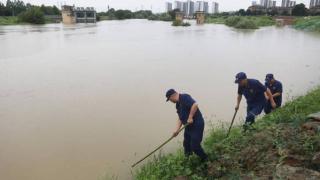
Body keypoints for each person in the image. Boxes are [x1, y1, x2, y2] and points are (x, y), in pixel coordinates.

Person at [166, 89, 208, 161]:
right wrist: (177, 130)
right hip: (188, 127)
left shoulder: (184, 97)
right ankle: (188, 160)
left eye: (169, 99)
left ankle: (205, 159)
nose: (170, 101)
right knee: (186, 144)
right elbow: (180, 118)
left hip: (197, 125)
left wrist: (190, 117)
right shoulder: (178, 105)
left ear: (172, 96)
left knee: (195, 146)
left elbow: (195, 104)